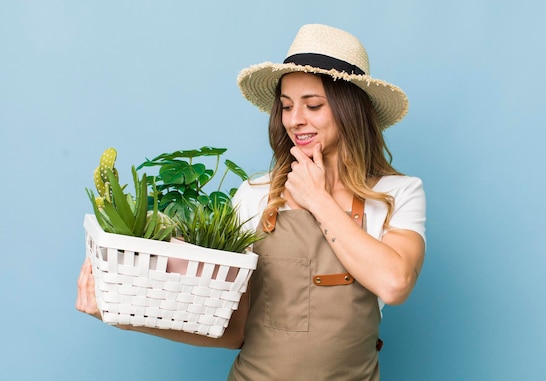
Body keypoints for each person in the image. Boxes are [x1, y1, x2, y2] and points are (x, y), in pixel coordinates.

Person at [76, 23, 426, 380]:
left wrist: (318, 200)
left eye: (313, 105)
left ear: (349, 109)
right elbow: (232, 331)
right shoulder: (256, 195)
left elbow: (395, 283)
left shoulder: (397, 193)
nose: (295, 120)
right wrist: (120, 312)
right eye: (287, 106)